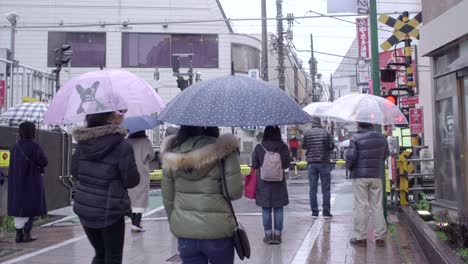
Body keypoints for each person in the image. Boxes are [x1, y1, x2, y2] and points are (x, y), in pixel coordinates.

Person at [161, 126, 243, 264]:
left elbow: (168, 199)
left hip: (185, 231)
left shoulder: (171, 154)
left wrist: (178, 224)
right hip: (219, 231)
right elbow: (234, 193)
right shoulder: (226, 151)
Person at [72, 110, 140, 264]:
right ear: (113, 116)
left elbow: (75, 172)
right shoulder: (122, 145)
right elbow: (131, 181)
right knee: (113, 258)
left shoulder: (83, 143)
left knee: (100, 254)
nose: (124, 115)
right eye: (122, 111)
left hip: (85, 208)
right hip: (110, 211)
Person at [345, 122, 390, 248]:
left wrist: (348, 167)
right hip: (376, 175)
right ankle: (380, 238)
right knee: (377, 206)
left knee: (361, 206)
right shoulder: (381, 137)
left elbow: (351, 157)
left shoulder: (355, 138)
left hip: (359, 177)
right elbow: (385, 154)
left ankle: (361, 238)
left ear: (359, 124)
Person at [8, 121, 48, 243]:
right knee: (31, 205)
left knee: (18, 206)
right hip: (31, 182)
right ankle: (27, 234)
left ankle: (18, 234)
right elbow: (44, 161)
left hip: (16, 183)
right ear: (33, 131)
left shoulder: (15, 147)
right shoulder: (34, 146)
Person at [251, 126, 290, 245]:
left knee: (266, 208)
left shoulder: (259, 147)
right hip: (279, 182)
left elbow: (254, 164)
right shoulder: (283, 147)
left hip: (264, 183)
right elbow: (287, 164)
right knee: (278, 208)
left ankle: (268, 236)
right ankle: (277, 236)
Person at [301, 116, 335, 219]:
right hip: (324, 162)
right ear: (319, 123)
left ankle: (314, 212)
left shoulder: (307, 133)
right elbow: (331, 146)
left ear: (312, 123)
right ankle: (326, 212)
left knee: (312, 189)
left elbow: (303, 146)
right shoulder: (326, 133)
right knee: (326, 189)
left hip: (312, 163)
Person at [127, 130, 155, 232]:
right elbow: (151, 156)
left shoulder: (127, 141)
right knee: (141, 197)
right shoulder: (145, 141)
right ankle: (136, 223)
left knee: (131, 197)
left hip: (129, 171)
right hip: (142, 171)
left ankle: (133, 222)